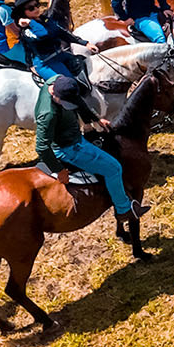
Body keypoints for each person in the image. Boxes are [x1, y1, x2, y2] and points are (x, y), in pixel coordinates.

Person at [35, 75, 149, 242]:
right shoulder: (48, 115)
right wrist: (58, 170)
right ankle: (124, 209)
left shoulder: (56, 81)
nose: (68, 105)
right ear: (54, 94)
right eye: (64, 102)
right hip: (68, 148)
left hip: (74, 136)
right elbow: (41, 147)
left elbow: (78, 101)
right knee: (114, 168)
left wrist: (96, 119)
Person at [19, 0, 96, 84]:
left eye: (37, 5)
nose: (36, 9)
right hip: (46, 63)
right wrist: (30, 22)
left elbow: (62, 33)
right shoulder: (27, 31)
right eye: (31, 8)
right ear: (23, 13)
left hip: (60, 55)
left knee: (84, 63)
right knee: (69, 83)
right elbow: (43, 33)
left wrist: (85, 43)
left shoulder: (45, 20)